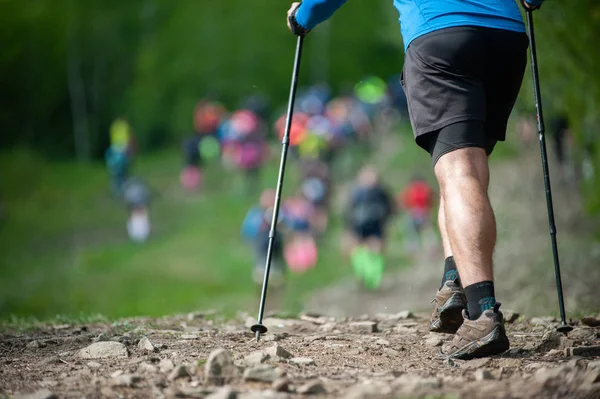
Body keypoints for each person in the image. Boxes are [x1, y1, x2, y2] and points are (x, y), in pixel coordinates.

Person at [286, 0, 544, 358]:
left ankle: (483, 311)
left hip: (440, 36)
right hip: (506, 39)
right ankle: (454, 280)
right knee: (469, 165)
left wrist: (302, 17)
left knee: (459, 171)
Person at [344, 166, 394, 289]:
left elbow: (390, 207)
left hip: (375, 223)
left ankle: (373, 277)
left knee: (375, 249)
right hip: (359, 224)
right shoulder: (357, 192)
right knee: (359, 250)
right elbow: (348, 210)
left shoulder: (380, 192)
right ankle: (364, 274)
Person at [241, 189, 285, 287]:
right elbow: (247, 230)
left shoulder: (281, 212)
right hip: (262, 253)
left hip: (276, 253)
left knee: (277, 280)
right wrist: (262, 225)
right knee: (262, 279)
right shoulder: (256, 213)